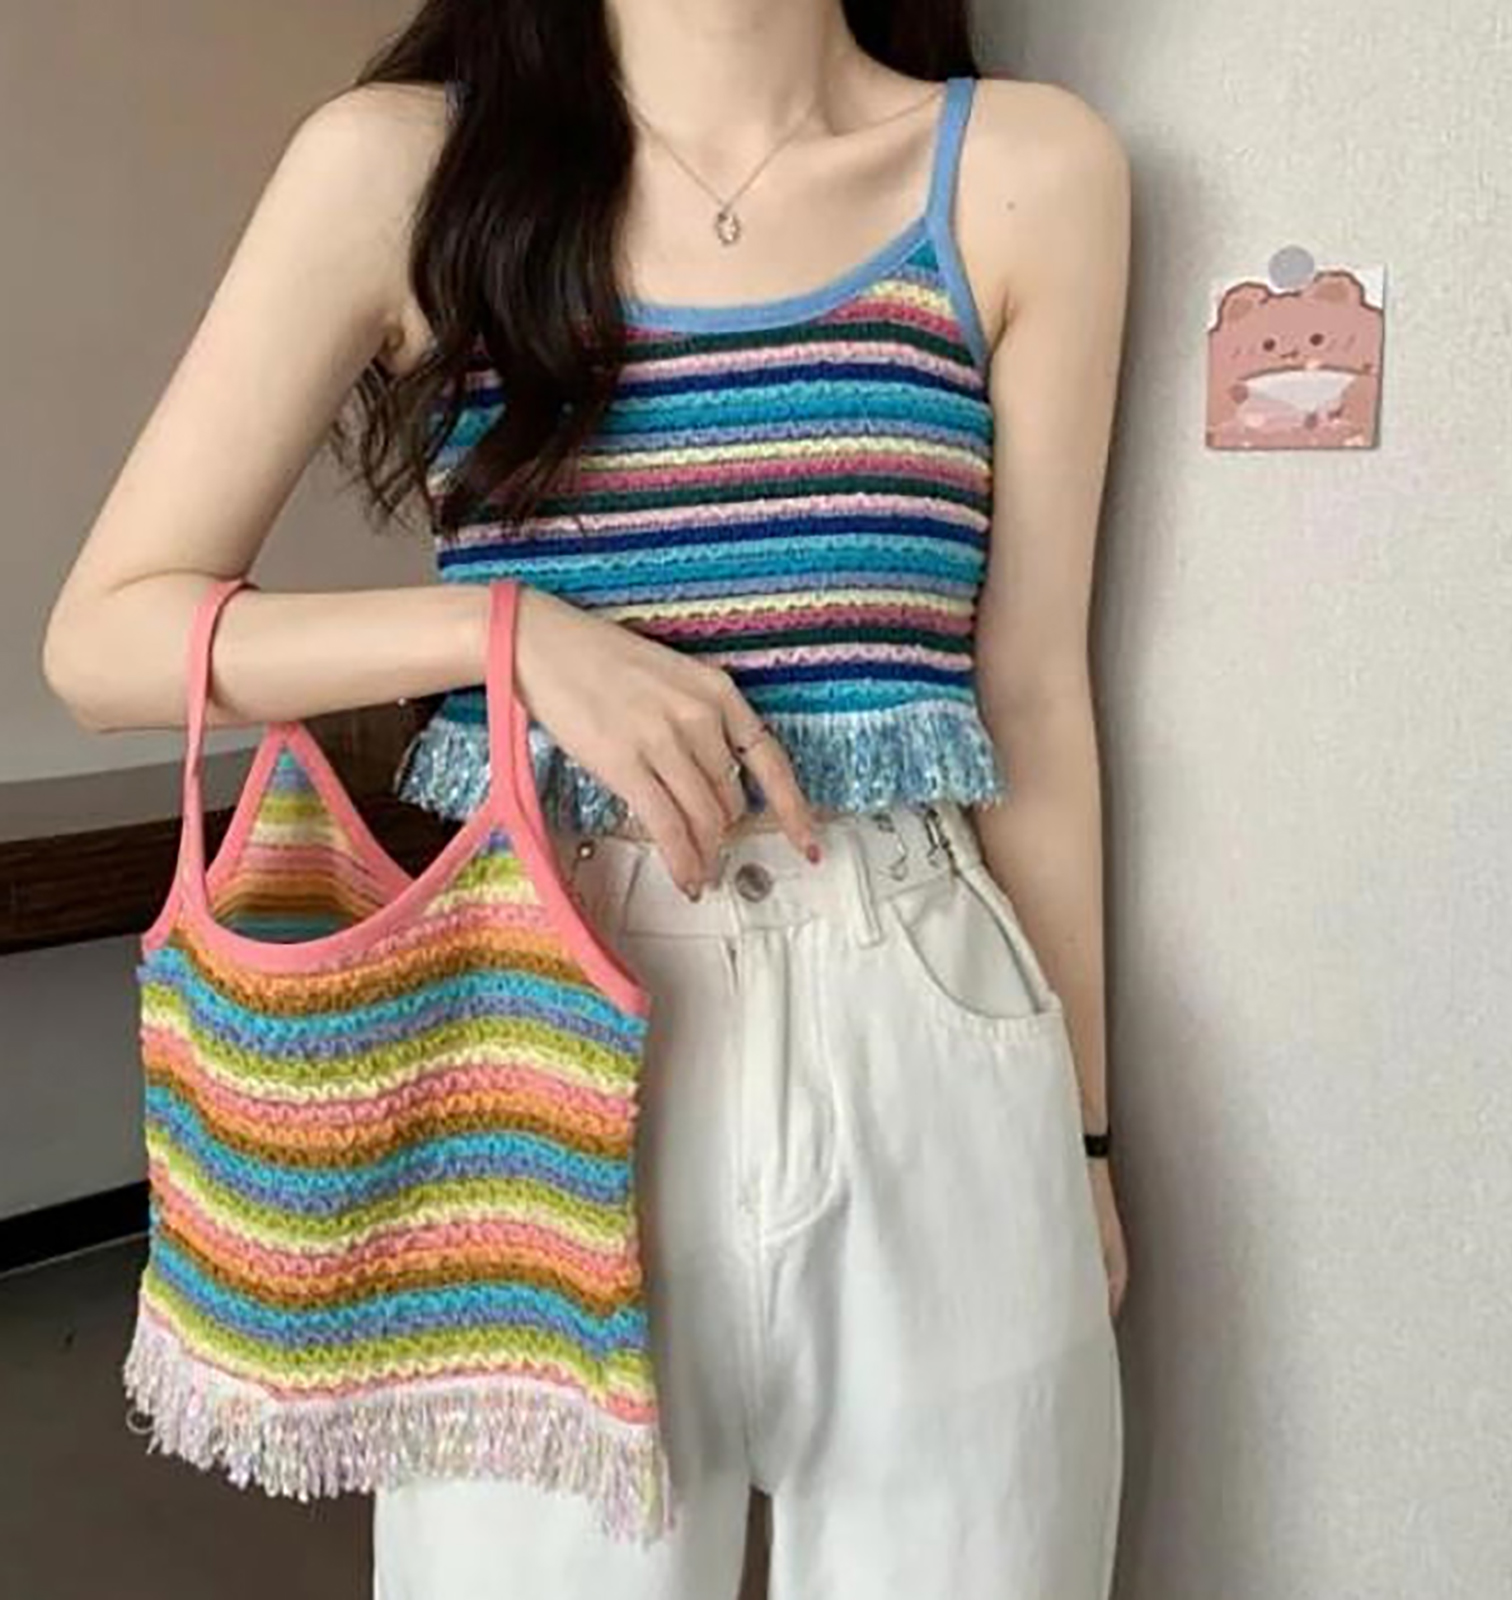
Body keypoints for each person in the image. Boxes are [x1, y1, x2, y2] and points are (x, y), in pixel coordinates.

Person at [42, 1, 1132, 1596]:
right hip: (538, 1013)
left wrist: (1086, 1137)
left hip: (926, 1017)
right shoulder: (408, 169)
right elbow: (105, 640)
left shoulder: (1026, 170)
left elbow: (1030, 695)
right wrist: (507, 638)